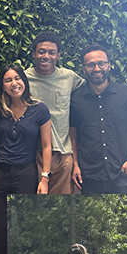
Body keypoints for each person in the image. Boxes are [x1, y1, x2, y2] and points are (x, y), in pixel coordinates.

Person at [0, 64, 52, 254]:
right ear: (2, 86)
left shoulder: (39, 109)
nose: (14, 83)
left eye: (17, 78)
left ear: (24, 81)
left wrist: (44, 178)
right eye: (7, 80)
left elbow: (46, 145)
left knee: (24, 223)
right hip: (0, 171)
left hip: (26, 172)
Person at [70, 44, 127, 194]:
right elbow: (73, 135)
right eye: (91, 65)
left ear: (109, 66)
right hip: (89, 175)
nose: (97, 69)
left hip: (123, 172)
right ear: (84, 69)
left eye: (101, 63)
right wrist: (76, 165)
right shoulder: (75, 99)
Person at [24, 32, 83, 194]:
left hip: (63, 154)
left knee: (61, 207)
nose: (46, 56)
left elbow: (94, 91)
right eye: (41, 51)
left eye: (51, 52)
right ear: (33, 54)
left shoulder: (69, 77)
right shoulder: (23, 79)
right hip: (32, 154)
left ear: (58, 56)